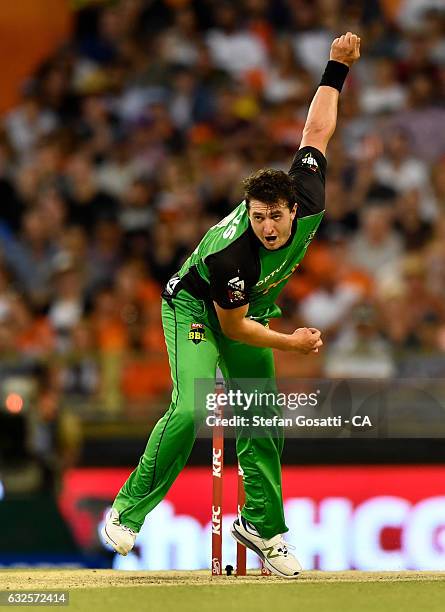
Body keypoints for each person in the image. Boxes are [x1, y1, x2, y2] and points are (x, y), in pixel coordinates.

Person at [102, 32, 361, 577]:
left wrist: (335, 68)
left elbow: (317, 129)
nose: (267, 227)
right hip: (197, 310)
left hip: (252, 312)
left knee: (262, 417)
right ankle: (126, 511)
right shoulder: (230, 255)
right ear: (248, 210)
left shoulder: (309, 195)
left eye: (275, 217)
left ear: (294, 208)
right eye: (257, 216)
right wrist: (291, 342)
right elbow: (236, 329)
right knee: (192, 408)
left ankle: (263, 527)